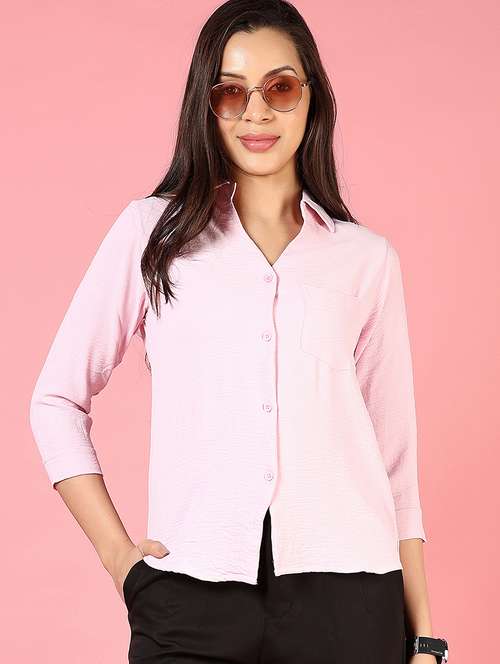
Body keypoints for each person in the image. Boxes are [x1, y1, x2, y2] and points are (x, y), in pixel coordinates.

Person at [29, 0, 449, 662]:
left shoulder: (367, 261)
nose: (257, 113)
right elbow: (55, 400)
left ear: (312, 97)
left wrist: (423, 636)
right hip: (188, 598)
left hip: (350, 602)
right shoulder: (152, 236)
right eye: (231, 92)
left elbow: (396, 463)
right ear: (207, 105)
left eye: (280, 88)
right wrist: (120, 561)